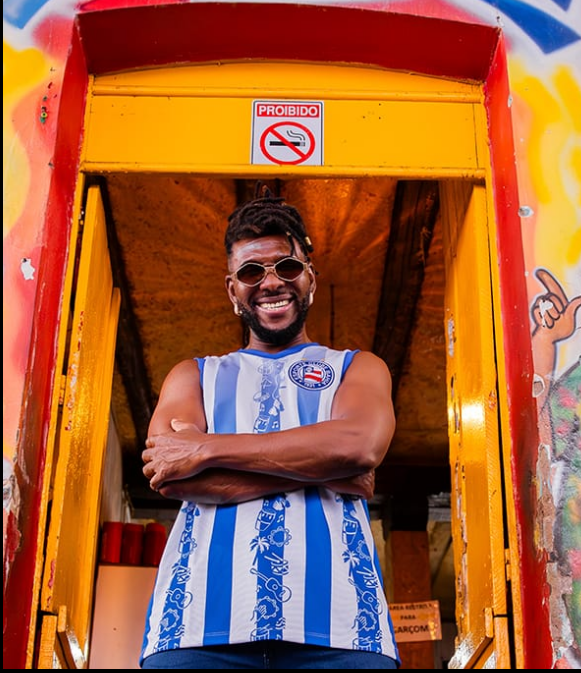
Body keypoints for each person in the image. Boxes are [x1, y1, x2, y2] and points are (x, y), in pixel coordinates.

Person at [139, 195, 399, 669]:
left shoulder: (357, 368)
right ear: (232, 289)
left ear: (310, 277)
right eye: (251, 272)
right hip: (195, 627)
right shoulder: (191, 376)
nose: (271, 281)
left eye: (286, 265)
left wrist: (208, 448)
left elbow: (359, 445)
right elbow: (172, 474)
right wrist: (325, 470)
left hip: (343, 628)